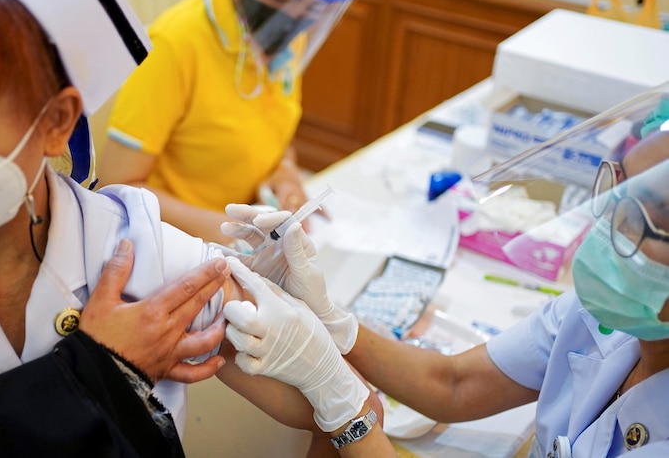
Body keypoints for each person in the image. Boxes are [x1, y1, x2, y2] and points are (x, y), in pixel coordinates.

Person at [0, 0, 381, 456]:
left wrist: (332, 359)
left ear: (55, 121)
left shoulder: (133, 241)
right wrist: (95, 372)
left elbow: (334, 404)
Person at [224, 92, 669, 456]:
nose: (606, 227)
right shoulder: (598, 318)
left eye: (643, 220)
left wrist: (346, 408)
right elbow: (455, 384)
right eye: (618, 190)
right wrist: (331, 321)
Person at [98, 0, 371, 244]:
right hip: (176, 243)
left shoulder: (284, 41)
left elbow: (270, 128)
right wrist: (227, 231)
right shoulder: (174, 44)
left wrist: (285, 170)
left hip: (246, 223)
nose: (293, 15)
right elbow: (117, 186)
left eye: (313, 8)